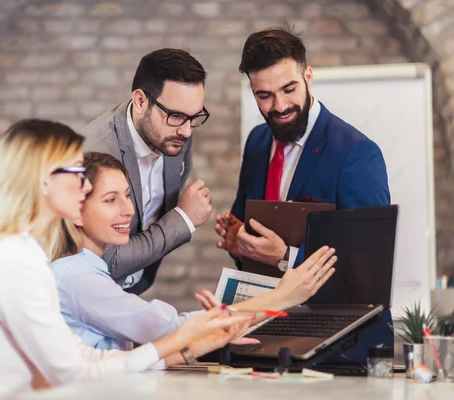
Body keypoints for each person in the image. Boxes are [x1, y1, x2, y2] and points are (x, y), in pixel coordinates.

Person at [0, 119, 254, 400]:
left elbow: (82, 359)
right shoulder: (14, 258)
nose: (86, 185)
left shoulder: (25, 253)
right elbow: (71, 373)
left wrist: (188, 344)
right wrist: (180, 339)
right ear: (44, 180)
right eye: (76, 172)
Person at [216, 27, 392, 366]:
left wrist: (285, 257)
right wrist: (239, 245)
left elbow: (370, 275)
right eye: (264, 95)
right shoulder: (256, 143)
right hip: (268, 331)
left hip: (339, 347)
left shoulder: (357, 154)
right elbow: (253, 247)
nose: (279, 106)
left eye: (289, 89)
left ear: (308, 76)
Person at [53, 151, 337, 351]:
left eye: (128, 195)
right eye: (110, 200)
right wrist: (282, 297)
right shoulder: (80, 278)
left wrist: (210, 337)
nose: (128, 210)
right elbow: (173, 328)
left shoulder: (81, 270)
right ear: (76, 212)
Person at [81, 48, 212, 295]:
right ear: (141, 101)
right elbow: (105, 260)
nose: (187, 131)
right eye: (176, 116)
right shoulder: (95, 155)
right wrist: (183, 219)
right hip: (86, 297)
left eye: (194, 118)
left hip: (132, 290)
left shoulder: (176, 135)